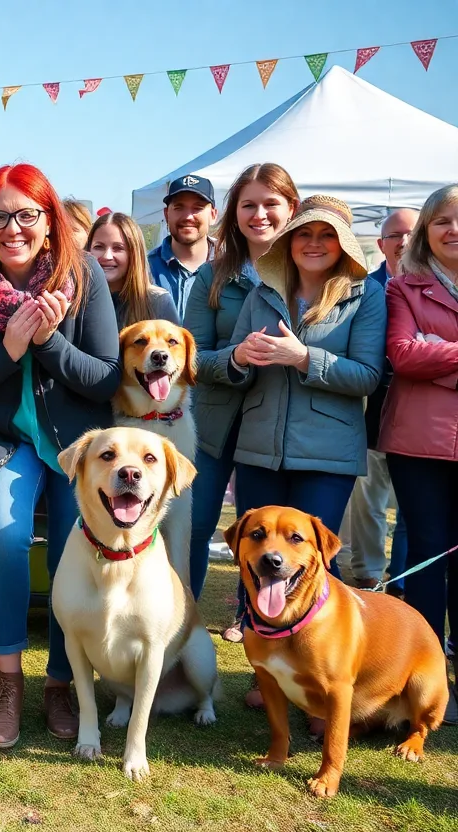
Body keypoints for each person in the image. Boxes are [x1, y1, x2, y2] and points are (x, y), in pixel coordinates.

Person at [0, 163, 120, 749]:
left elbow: (105, 379)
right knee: (4, 539)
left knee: (71, 552)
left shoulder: (81, 275)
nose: (13, 227)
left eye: (27, 214)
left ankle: (61, 680)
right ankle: (9, 680)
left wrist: (48, 342)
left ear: (49, 220)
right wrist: (8, 351)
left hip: (77, 448)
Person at [216, 195, 386, 713]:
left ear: (343, 245)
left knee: (310, 572)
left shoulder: (365, 297)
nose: (314, 244)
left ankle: (319, 684)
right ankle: (269, 674)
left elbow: (368, 375)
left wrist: (305, 357)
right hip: (259, 449)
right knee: (258, 561)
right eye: (305, 234)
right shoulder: (264, 292)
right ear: (289, 242)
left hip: (328, 456)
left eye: (326, 235)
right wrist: (239, 358)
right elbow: (229, 359)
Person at [184, 163, 299, 605]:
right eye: (248, 205)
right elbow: (191, 355)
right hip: (213, 425)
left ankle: (252, 618)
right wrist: (233, 357)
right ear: (233, 214)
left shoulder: (309, 271)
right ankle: (180, 623)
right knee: (194, 527)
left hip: (273, 423)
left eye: (271, 204)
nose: (260, 215)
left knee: (267, 532)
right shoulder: (211, 278)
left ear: (292, 207)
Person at [380, 184, 458, 724]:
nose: (453, 229)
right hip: (419, 442)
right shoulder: (404, 287)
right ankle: (423, 677)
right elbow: (405, 356)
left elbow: (426, 355)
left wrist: (440, 354)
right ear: (426, 232)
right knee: (429, 553)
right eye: (443, 220)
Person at [340, 208, 418, 591]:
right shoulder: (363, 289)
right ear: (381, 244)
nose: (403, 241)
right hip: (372, 409)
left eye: (410, 233)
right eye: (395, 235)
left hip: (422, 413)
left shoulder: (438, 288)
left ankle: (402, 575)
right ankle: (369, 572)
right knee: (369, 500)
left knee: (412, 504)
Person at [86, 211, 179, 328]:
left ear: (134, 253)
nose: (107, 256)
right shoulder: (76, 302)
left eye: (118, 248)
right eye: (98, 247)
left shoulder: (159, 302)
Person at [149, 174, 217, 320]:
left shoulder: (234, 268)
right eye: (179, 207)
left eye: (197, 208)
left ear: (213, 215)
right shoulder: (144, 268)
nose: (188, 217)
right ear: (167, 214)